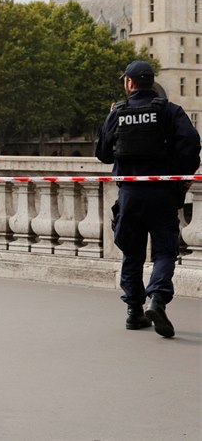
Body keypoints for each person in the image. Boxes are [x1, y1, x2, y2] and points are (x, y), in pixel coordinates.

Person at [96, 60, 200, 338]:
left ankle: (134, 311)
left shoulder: (117, 113)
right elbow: (191, 145)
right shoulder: (169, 111)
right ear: (151, 83)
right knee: (165, 251)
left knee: (132, 252)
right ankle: (158, 299)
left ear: (129, 84)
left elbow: (104, 154)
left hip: (130, 194)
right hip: (163, 193)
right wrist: (179, 176)